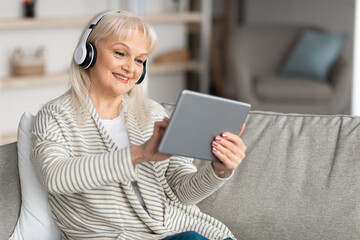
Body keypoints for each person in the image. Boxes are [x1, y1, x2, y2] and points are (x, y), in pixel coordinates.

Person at [31, 10, 247, 240]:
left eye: (139, 60)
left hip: (179, 229)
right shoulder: (55, 116)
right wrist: (138, 154)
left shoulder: (153, 113)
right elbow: (53, 176)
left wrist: (219, 170)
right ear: (87, 53)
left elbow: (182, 194)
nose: (130, 68)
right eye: (120, 53)